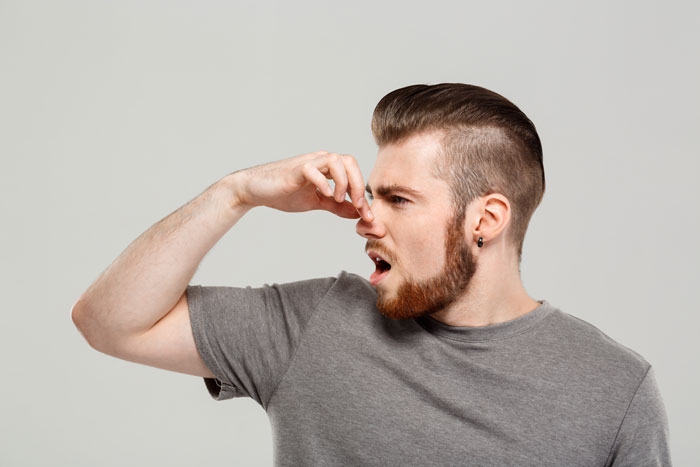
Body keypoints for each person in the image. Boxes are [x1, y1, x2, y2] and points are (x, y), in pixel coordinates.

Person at [71, 83, 672, 466]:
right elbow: (108, 323)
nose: (364, 218)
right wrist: (236, 194)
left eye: (398, 200)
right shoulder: (314, 324)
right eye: (371, 196)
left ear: (484, 219)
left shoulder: (614, 389)